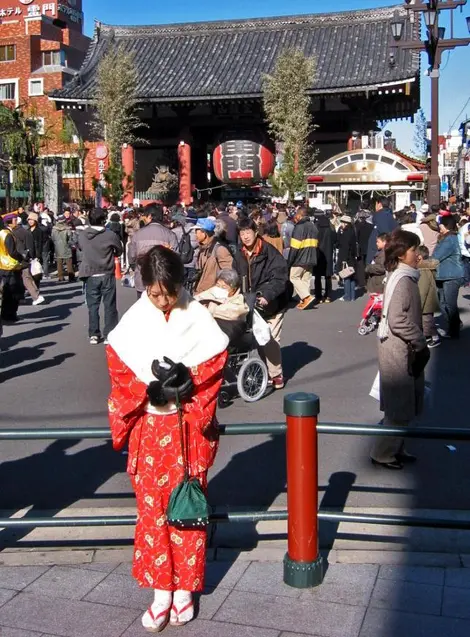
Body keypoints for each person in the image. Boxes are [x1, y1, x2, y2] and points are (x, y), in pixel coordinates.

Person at [106, 246, 228, 632]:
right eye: (155, 293)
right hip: (150, 429)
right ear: (145, 287)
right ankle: (161, 591)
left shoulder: (199, 318)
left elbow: (214, 363)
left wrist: (186, 384)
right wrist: (148, 391)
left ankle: (184, 592)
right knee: (152, 512)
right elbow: (120, 365)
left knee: (186, 510)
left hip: (185, 429)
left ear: (180, 283)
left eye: (169, 292)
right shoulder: (134, 320)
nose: (163, 300)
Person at [370, 230, 429, 470]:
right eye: (414, 250)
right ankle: (383, 453)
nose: (418, 255)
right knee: (399, 405)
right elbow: (397, 319)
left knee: (402, 403)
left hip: (397, 346)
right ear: (403, 254)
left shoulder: (401, 275)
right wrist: (419, 340)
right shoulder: (404, 279)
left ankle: (396, 447)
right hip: (398, 348)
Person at [234, 217, 290, 389]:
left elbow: (279, 277)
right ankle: (265, 370)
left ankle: (276, 374)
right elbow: (235, 276)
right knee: (258, 338)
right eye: (242, 233)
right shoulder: (239, 253)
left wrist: (266, 295)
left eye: (248, 232)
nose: (245, 236)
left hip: (273, 303)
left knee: (269, 339)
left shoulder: (269, 251)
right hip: (250, 303)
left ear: (255, 232)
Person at [78, 208, 123, 345]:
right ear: (104, 220)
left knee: (93, 305)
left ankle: (94, 334)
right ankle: (109, 333)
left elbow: (80, 247)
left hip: (90, 272)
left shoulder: (83, 234)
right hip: (107, 272)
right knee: (109, 305)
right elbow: (119, 250)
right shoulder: (110, 235)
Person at [128, 203, 179, 298]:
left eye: (145, 216)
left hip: (142, 279)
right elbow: (176, 258)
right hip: (163, 281)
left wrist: (135, 268)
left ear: (150, 216)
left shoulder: (138, 234)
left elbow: (131, 256)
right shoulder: (170, 234)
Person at [433, 215, 465, 339]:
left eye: (440, 224)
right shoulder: (446, 238)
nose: (438, 227)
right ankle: (455, 324)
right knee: (443, 303)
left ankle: (454, 329)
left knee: (449, 304)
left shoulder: (449, 239)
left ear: (445, 226)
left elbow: (437, 256)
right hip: (444, 275)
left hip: (451, 275)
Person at [195, 269, 249, 342]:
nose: (219, 288)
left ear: (233, 289)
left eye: (224, 287)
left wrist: (208, 308)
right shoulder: (213, 290)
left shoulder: (238, 299)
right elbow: (196, 300)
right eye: (218, 285)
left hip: (220, 331)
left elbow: (232, 312)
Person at [287, 207, 318, 310]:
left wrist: (289, 262)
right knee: (306, 279)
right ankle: (305, 300)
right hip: (312, 257)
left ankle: (307, 297)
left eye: (296, 214)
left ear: (299, 215)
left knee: (294, 277)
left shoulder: (299, 227)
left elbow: (294, 248)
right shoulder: (313, 227)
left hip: (300, 258)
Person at [193, 218, 233, 294]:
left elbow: (229, 274)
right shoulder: (203, 249)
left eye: (196, 232)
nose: (195, 235)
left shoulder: (220, 249)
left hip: (212, 296)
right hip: (200, 293)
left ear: (204, 233)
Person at [13, 216, 45, 306]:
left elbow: (37, 244)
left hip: (21, 258)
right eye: (29, 220)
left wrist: (34, 256)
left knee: (24, 278)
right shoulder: (26, 232)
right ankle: (34, 296)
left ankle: (34, 296)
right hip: (26, 257)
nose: (30, 221)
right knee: (26, 278)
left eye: (32, 220)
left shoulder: (16, 233)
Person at [0, 212, 25, 322]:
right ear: (9, 223)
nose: (17, 222)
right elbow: (12, 252)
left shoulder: (2, 233)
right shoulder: (8, 234)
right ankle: (10, 314)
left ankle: (6, 314)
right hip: (11, 265)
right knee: (13, 292)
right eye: (15, 220)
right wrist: (22, 256)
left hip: (3, 264)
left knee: (7, 291)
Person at [416, 245, 440, 348]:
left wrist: (419, 304)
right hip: (429, 297)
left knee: (427, 320)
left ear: (420, 257)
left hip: (426, 299)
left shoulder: (422, 269)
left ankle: (434, 338)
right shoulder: (425, 266)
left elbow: (423, 288)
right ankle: (430, 336)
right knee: (427, 320)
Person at [366, 197, 398, 264]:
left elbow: (384, 234)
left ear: (379, 204)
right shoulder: (390, 216)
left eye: (376, 204)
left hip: (378, 254)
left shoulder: (380, 216)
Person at [313, 212, 336, 303]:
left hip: (318, 253)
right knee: (328, 276)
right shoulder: (331, 227)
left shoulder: (315, 226)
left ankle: (318, 296)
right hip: (328, 253)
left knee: (317, 276)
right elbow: (335, 240)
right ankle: (328, 296)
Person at [336, 215, 358, 301]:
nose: (341, 224)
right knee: (351, 276)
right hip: (352, 257)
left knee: (346, 276)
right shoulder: (353, 231)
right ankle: (352, 296)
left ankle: (347, 295)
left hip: (345, 257)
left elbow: (344, 246)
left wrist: (344, 260)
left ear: (345, 223)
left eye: (342, 222)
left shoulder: (345, 233)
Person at [51, 215, 75, 282]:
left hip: (58, 247)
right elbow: (70, 238)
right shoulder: (67, 229)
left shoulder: (54, 229)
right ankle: (71, 277)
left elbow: (53, 238)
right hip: (66, 246)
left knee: (59, 263)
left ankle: (60, 277)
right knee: (69, 262)